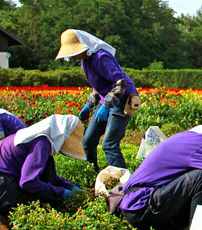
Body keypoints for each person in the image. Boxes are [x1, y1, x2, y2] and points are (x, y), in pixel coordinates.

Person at [0, 114, 86, 230]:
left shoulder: (28, 136)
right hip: (0, 190)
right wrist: (61, 193)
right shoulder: (41, 143)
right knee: (45, 197)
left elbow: (40, 174)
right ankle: (20, 222)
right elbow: (28, 182)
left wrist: (70, 187)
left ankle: (8, 214)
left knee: (46, 175)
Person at [55, 29, 139, 170]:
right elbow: (99, 86)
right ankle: (93, 173)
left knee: (109, 145)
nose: (74, 56)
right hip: (106, 99)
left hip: (122, 99)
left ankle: (123, 184)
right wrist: (89, 105)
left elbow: (120, 83)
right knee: (88, 141)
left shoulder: (101, 57)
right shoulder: (85, 62)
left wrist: (106, 107)